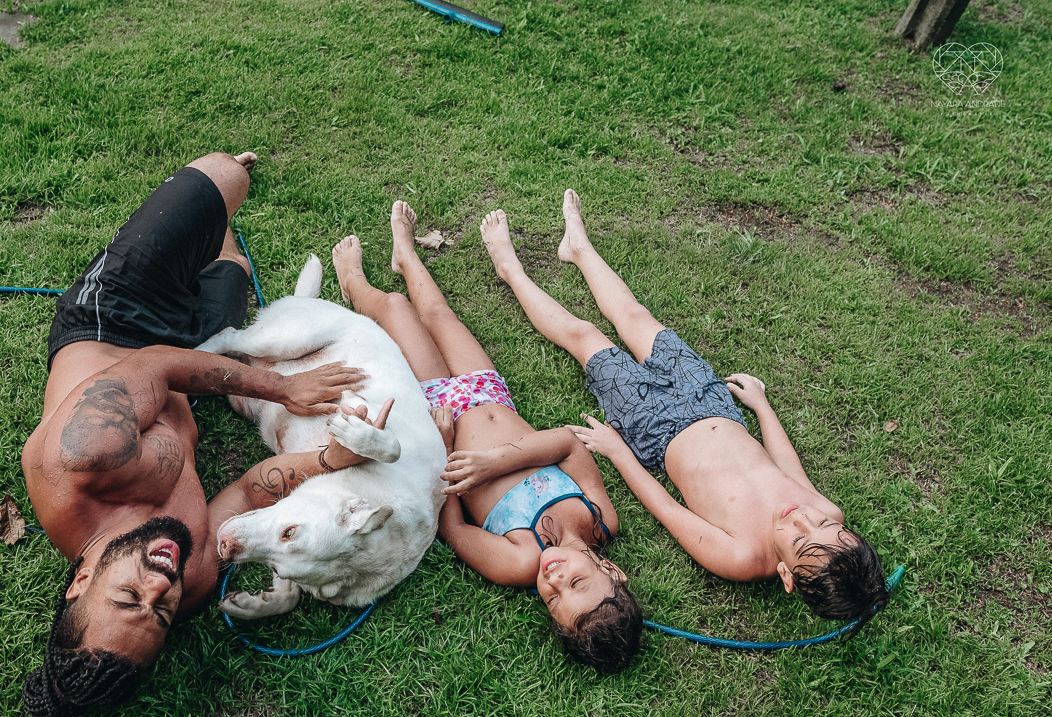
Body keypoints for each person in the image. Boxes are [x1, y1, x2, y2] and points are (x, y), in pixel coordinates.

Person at [19, 152, 370, 717]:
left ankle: (209, 187)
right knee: (229, 270)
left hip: (119, 324)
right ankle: (210, 240)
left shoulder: (84, 457)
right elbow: (250, 491)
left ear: (80, 581)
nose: (160, 586)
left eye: (129, 596)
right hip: (189, 372)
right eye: (158, 615)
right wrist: (330, 460)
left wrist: (284, 387)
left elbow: (159, 364)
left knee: (229, 177)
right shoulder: (191, 581)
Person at [483, 190, 887, 631]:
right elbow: (788, 468)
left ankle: (511, 270)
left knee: (585, 337)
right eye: (823, 523)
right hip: (710, 400)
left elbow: (667, 510)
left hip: (653, 426)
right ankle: (578, 248)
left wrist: (618, 451)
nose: (803, 517)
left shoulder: (742, 556)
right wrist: (762, 407)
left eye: (799, 538)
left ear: (786, 576)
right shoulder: (825, 511)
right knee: (636, 317)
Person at [328, 201, 643, 674]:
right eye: (577, 585)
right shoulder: (599, 519)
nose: (554, 580)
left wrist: (445, 444)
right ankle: (405, 257)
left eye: (554, 601)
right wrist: (494, 464)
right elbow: (569, 444)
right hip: (488, 393)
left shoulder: (516, 563)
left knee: (395, 310)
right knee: (439, 315)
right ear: (612, 572)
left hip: (441, 413)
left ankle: (354, 282)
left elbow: (453, 529)